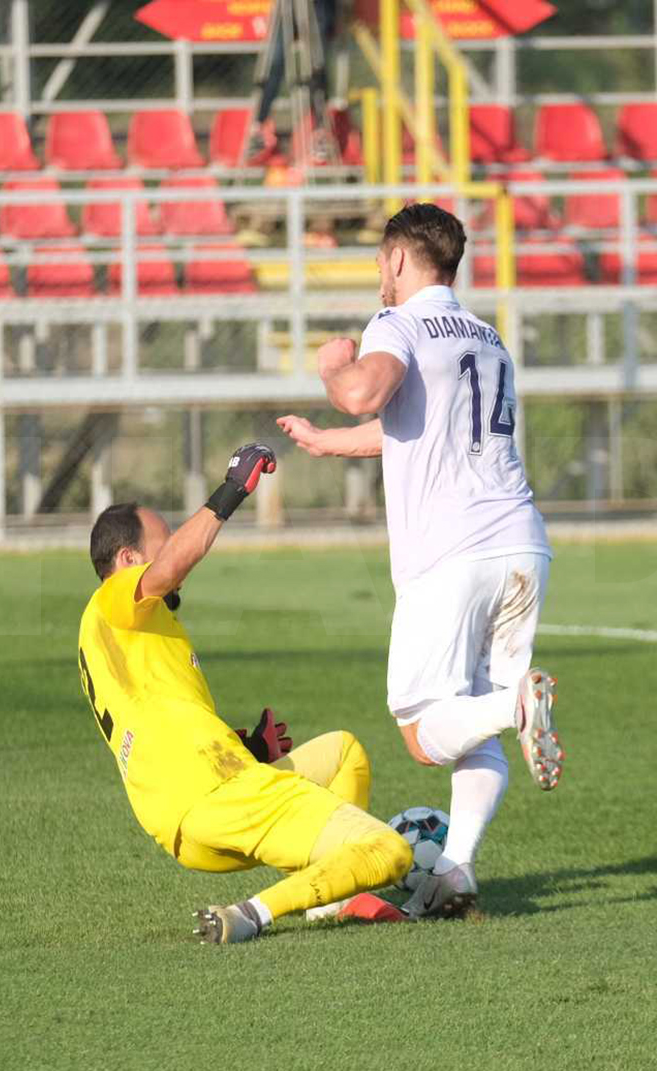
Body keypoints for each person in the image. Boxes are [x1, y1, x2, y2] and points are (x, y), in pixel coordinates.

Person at [277, 202, 560, 920]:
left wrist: (332, 365)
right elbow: (417, 429)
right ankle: (458, 868)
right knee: (471, 724)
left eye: (379, 261)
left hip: (452, 551)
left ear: (399, 260)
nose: (378, 274)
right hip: (521, 543)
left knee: (422, 729)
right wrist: (325, 442)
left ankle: (515, 702)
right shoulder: (487, 336)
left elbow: (364, 392)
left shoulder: (396, 323)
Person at [77, 445, 411, 945]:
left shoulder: (126, 635)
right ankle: (253, 913)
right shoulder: (115, 598)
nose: (178, 553)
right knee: (391, 851)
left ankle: (333, 900)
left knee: (344, 752)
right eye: (165, 542)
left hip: (190, 819)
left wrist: (248, 750)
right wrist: (231, 491)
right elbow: (166, 570)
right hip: (214, 797)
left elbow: (160, 721)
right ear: (127, 560)